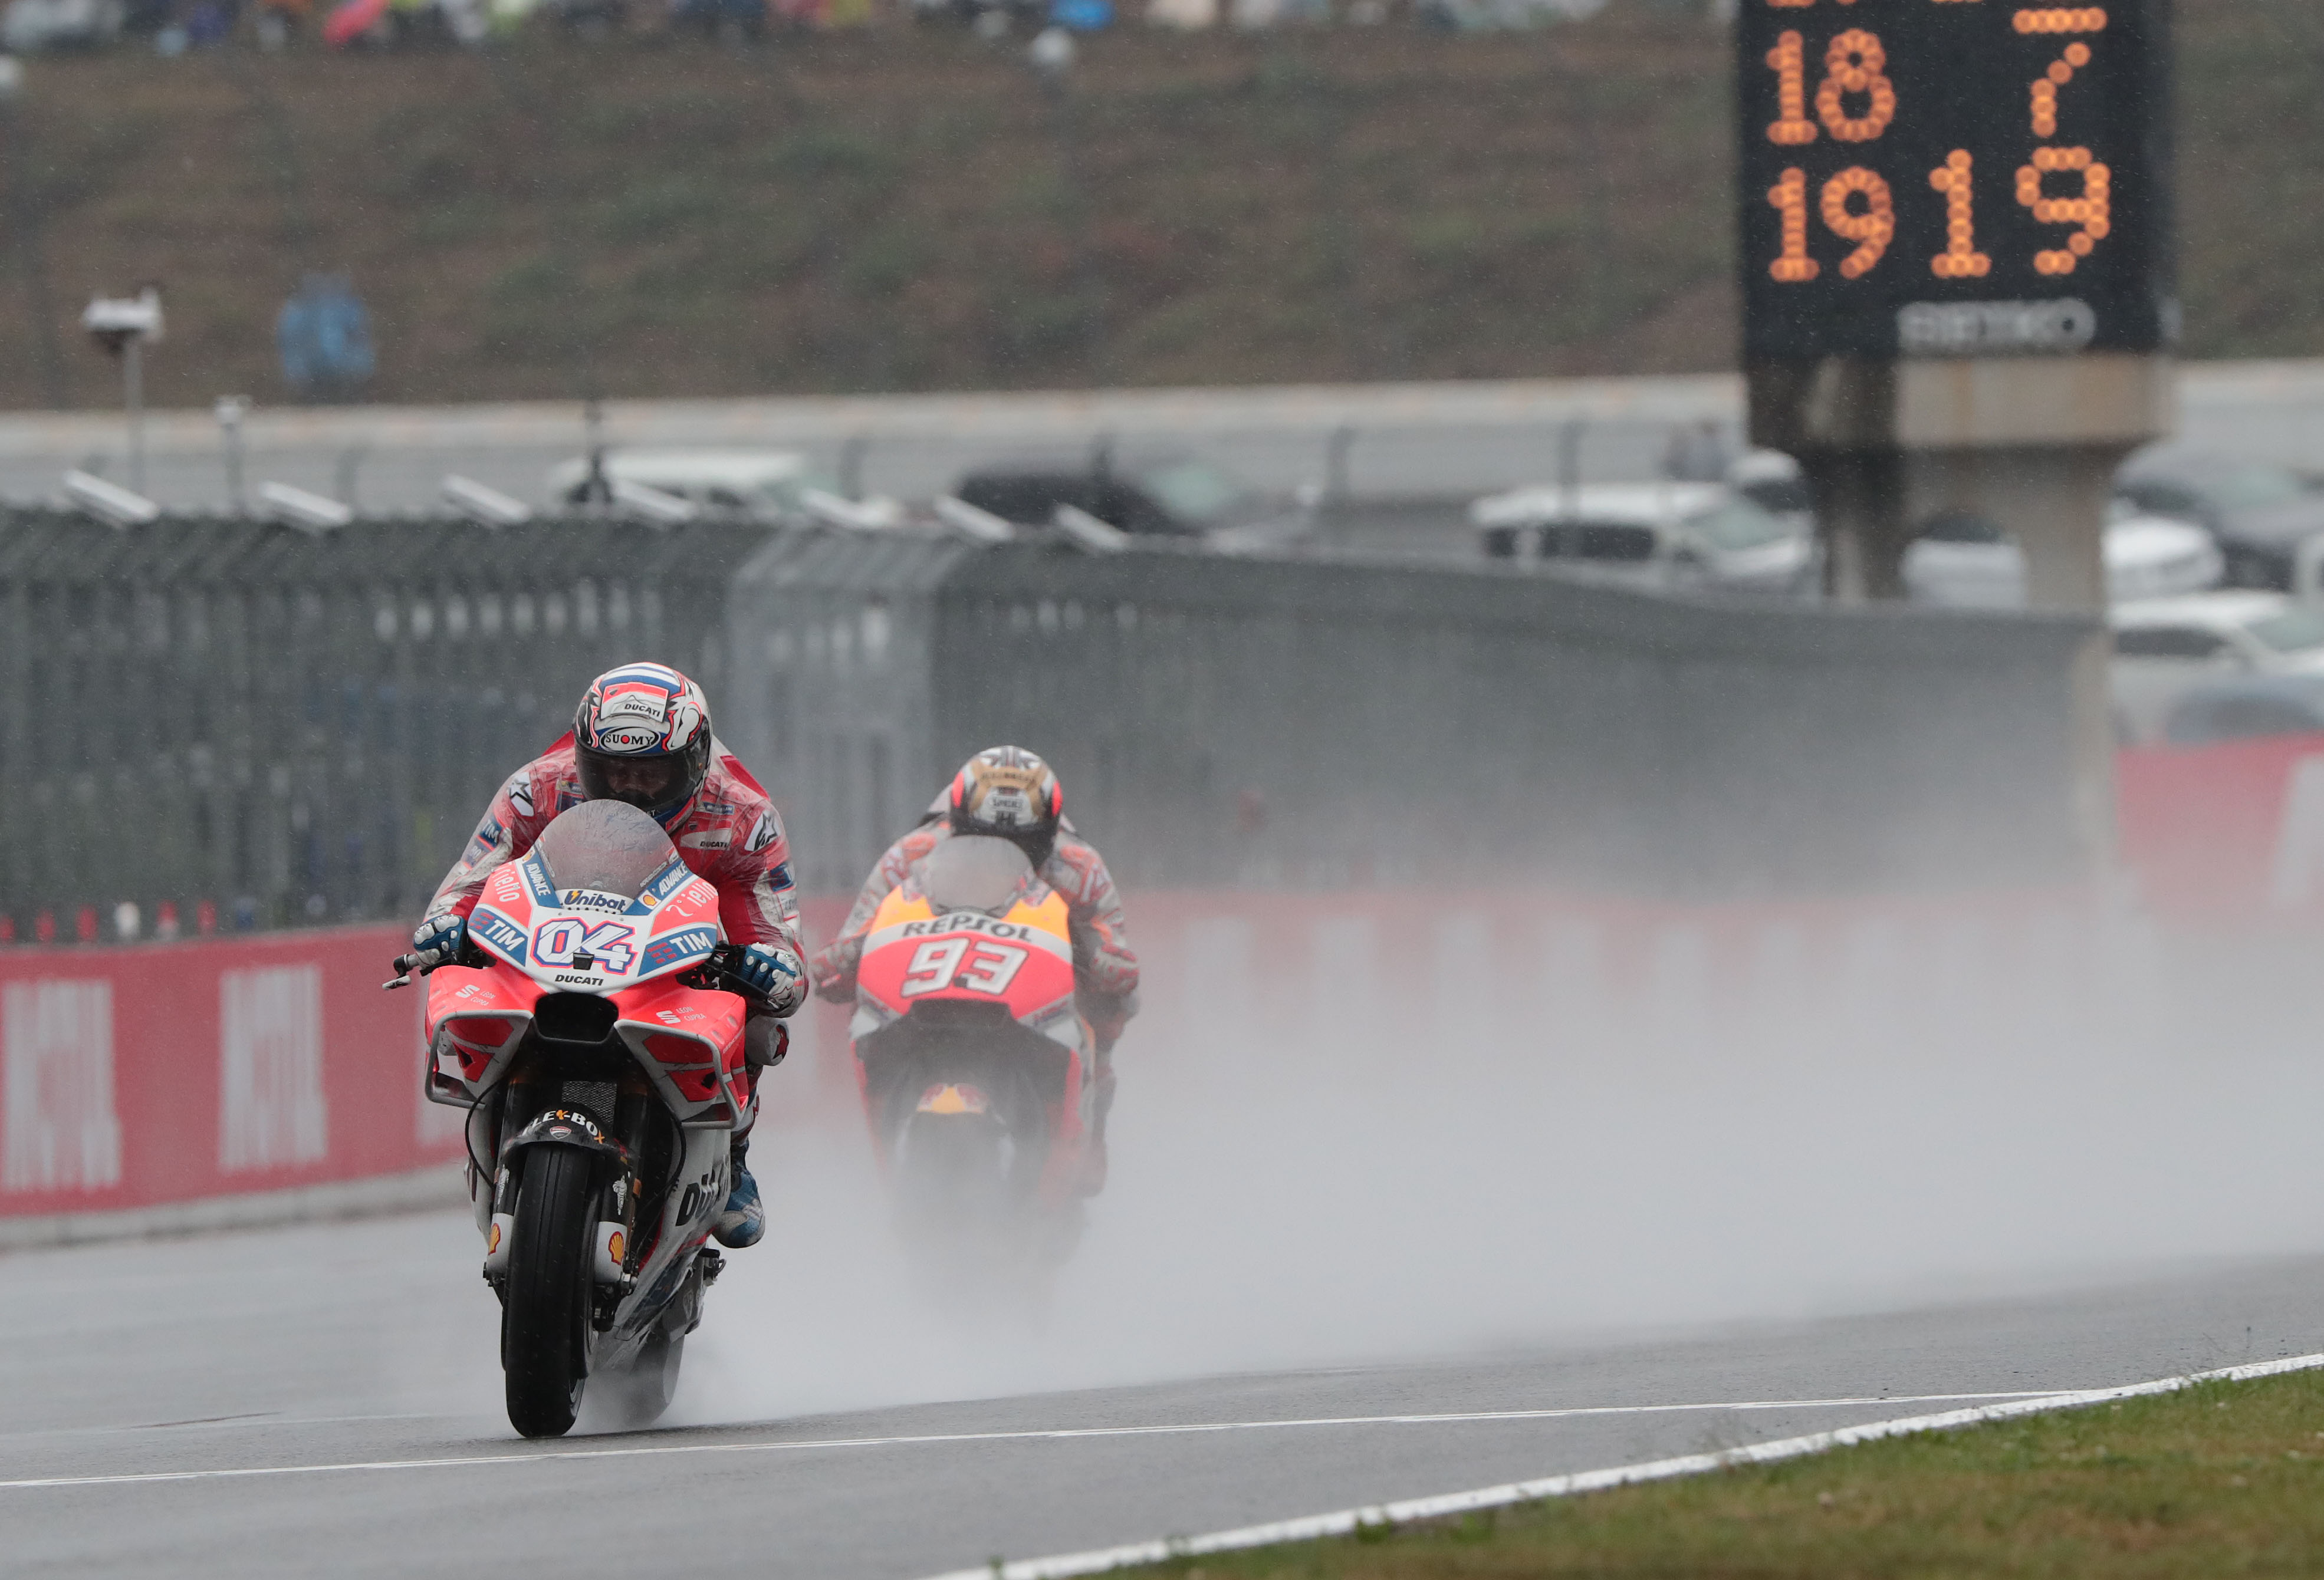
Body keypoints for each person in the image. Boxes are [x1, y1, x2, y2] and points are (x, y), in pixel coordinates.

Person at [410, 662, 806, 1250]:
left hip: (678, 966)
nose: (628, 789)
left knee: (762, 1020)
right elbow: (468, 882)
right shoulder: (536, 789)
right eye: (611, 770)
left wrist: (767, 967)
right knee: (469, 972)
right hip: (558, 949)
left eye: (651, 775)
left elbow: (780, 942)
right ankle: (500, 1121)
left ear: (693, 763)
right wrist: (443, 929)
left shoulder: (743, 818)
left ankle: (732, 1150)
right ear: (583, 757)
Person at [811, 745, 1138, 1193]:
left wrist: (1101, 958)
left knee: (1112, 1007)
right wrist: (846, 957)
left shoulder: (1080, 867)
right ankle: (887, 1123)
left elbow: (1117, 953)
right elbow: (851, 940)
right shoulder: (912, 854)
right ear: (956, 823)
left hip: (1033, 993)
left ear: (1048, 832)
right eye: (980, 834)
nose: (1000, 849)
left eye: (1023, 841)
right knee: (863, 1007)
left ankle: (1090, 1124)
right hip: (931, 983)